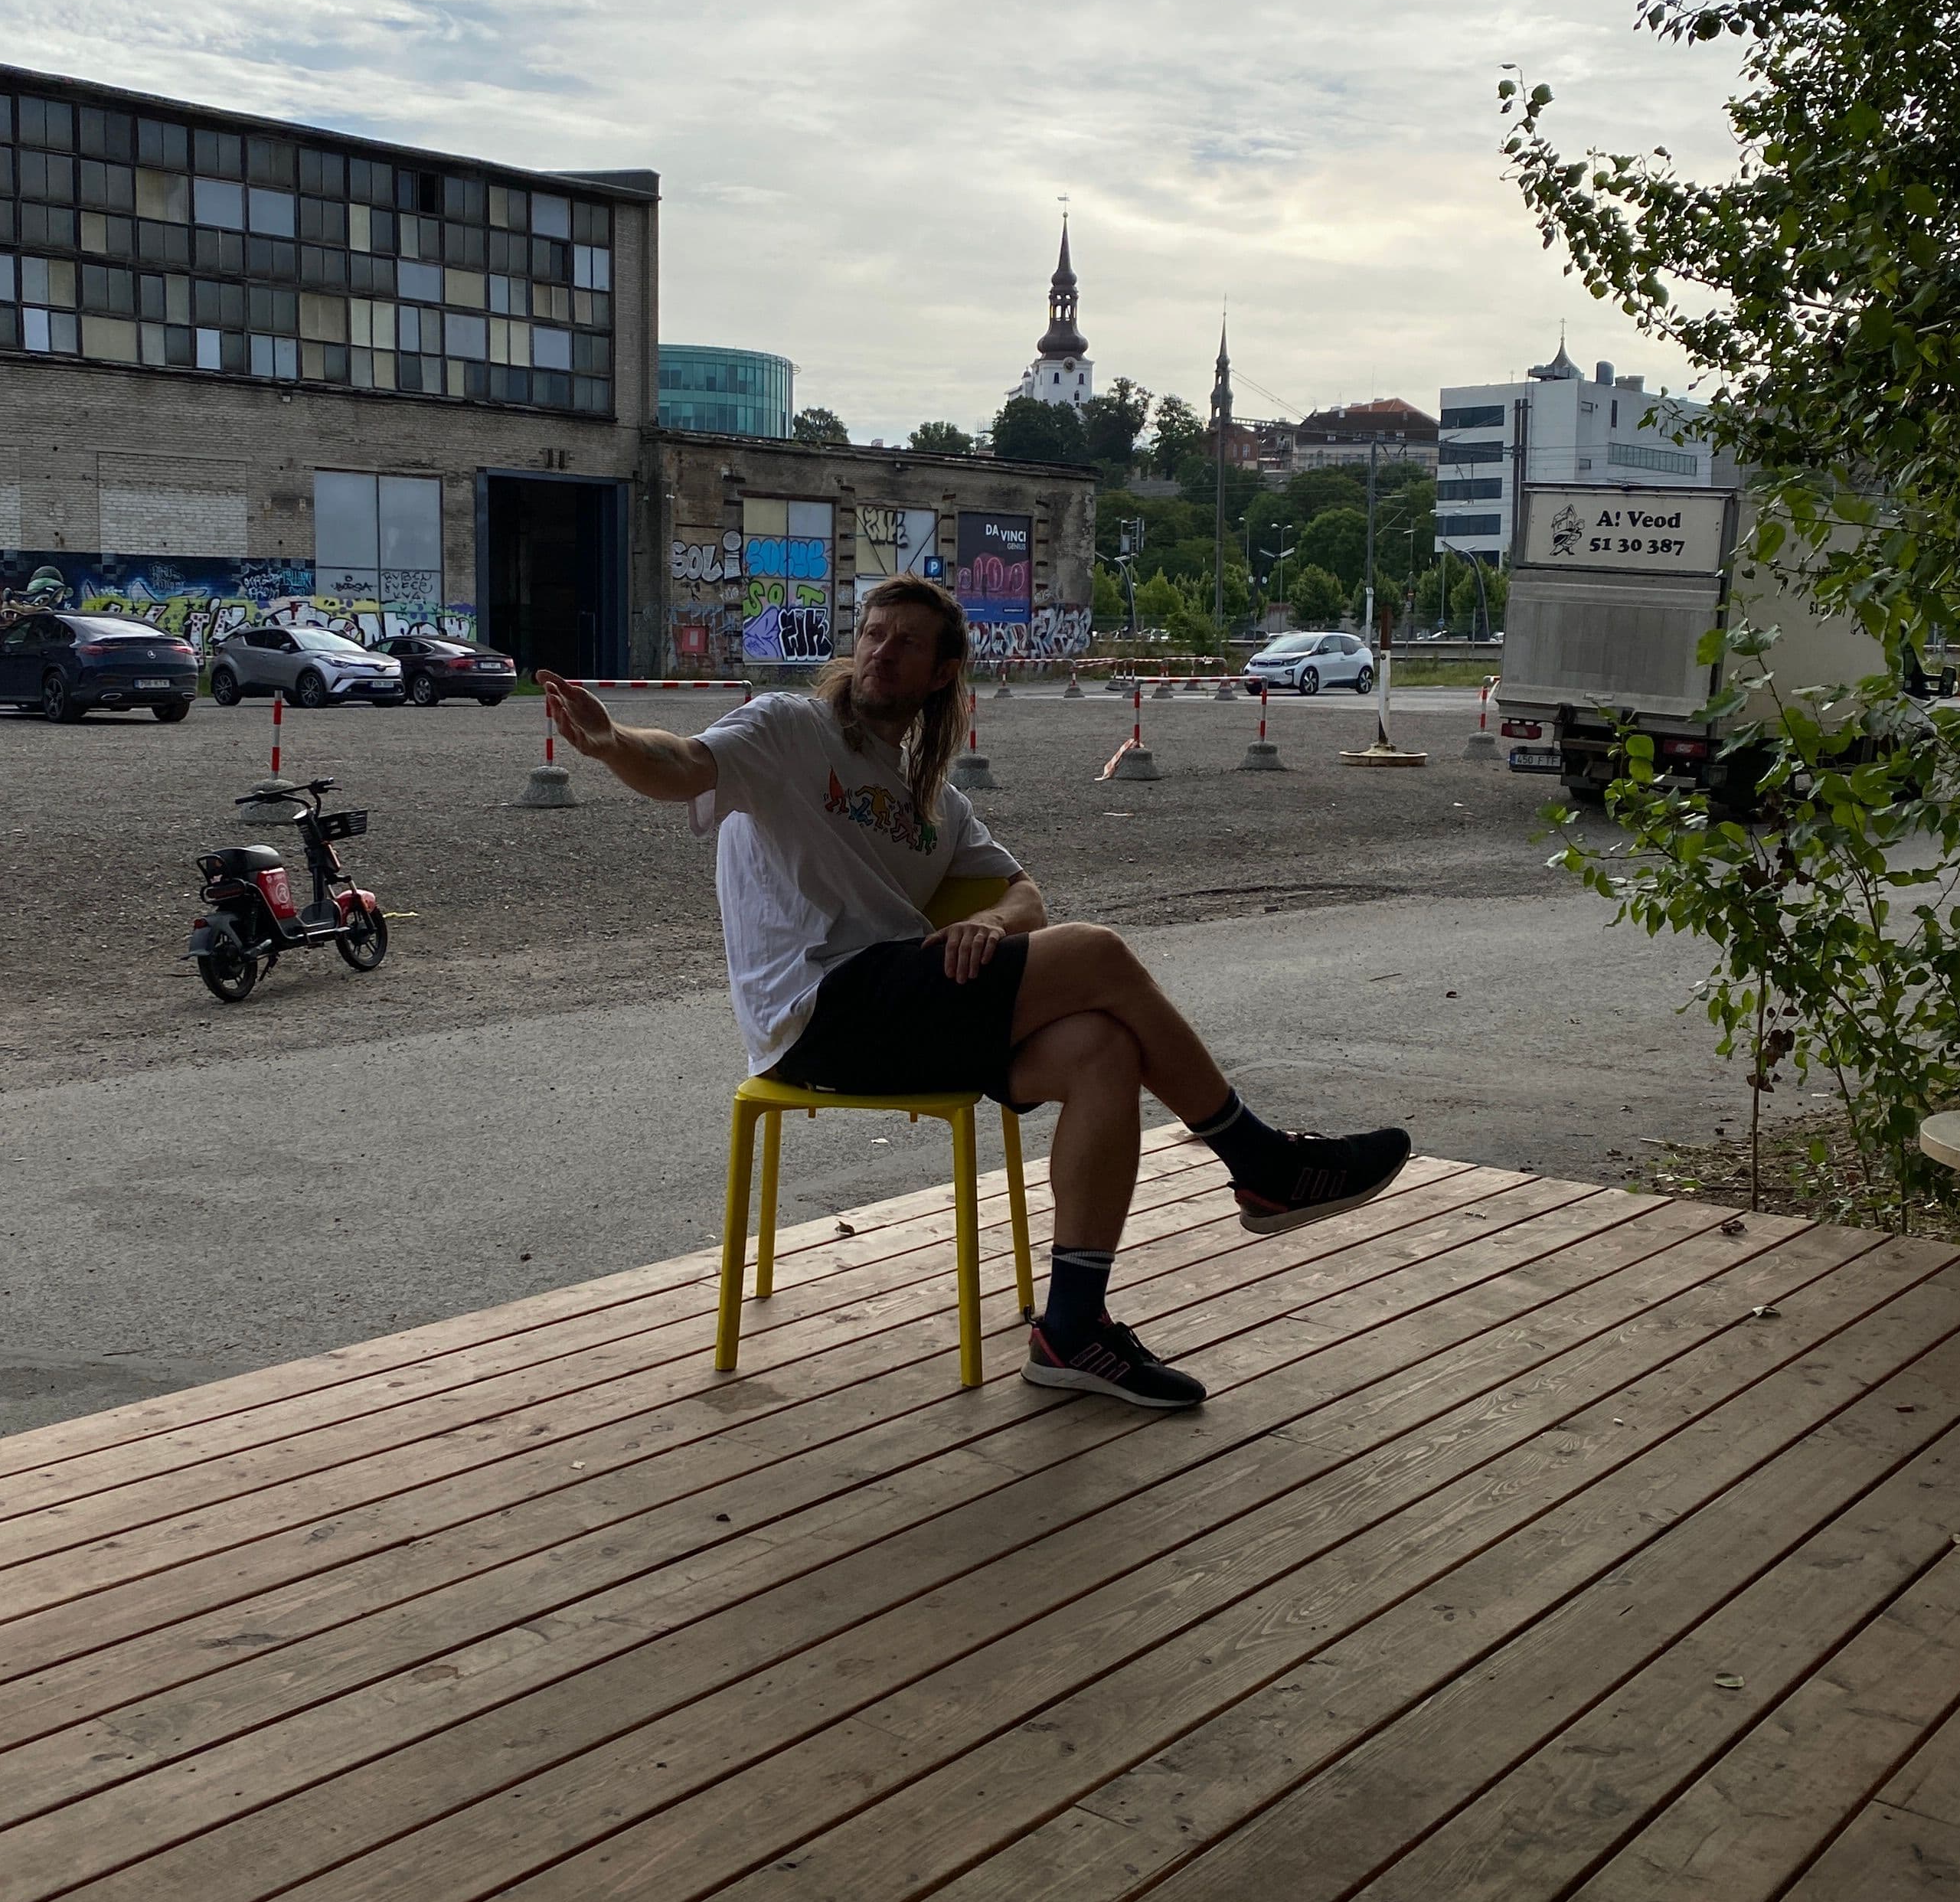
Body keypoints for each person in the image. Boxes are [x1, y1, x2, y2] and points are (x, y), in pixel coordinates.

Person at [541, 574, 1409, 1413]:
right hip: (817, 1010)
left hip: (907, 1009)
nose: (882, 652)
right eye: (872, 634)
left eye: (906, 643)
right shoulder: (787, 728)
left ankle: (1071, 1333)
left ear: (942, 672)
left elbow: (1025, 893)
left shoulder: (936, 802)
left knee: (1103, 1049)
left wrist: (990, 923)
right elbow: (683, 764)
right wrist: (613, 744)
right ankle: (1262, 1163)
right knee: (1100, 955)